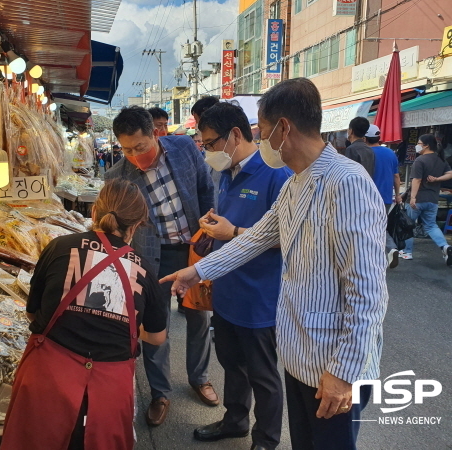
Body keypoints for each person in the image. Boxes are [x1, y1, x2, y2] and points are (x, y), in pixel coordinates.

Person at [161, 78, 388, 450]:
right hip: (301, 354)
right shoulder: (295, 184)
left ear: (284, 128)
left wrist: (343, 373)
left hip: (335, 365)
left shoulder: (346, 182)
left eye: (263, 132)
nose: (261, 140)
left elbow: (366, 291)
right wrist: (196, 271)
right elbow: (253, 239)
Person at [1, 179, 167, 450]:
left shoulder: (59, 247)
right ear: (136, 226)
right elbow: (157, 337)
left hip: (47, 380)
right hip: (109, 392)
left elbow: (34, 313)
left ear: (94, 213)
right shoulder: (146, 270)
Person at [105, 106, 216, 427]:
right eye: (126, 150)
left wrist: (209, 232)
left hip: (194, 249)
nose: (135, 155)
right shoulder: (117, 176)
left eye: (141, 147)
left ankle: (200, 377)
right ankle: (160, 392)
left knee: (199, 317)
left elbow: (206, 187)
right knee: (155, 328)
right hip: (152, 257)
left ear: (155, 133)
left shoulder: (183, 149)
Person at [193, 102, 292, 449]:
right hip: (228, 290)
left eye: (209, 144)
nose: (207, 152)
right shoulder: (226, 172)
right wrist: (214, 228)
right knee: (231, 363)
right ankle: (235, 420)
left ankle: (265, 439)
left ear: (235, 134)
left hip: (260, 295)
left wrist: (233, 231)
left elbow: (286, 237)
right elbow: (229, 224)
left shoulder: (277, 174)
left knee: (263, 374)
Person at [401, 133, 452, 264]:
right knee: (431, 226)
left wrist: (412, 198)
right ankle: (445, 247)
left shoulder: (420, 160)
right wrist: (437, 179)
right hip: (433, 200)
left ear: (426, 145)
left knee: (408, 226)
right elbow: (450, 173)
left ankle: (407, 252)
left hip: (418, 199)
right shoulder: (441, 159)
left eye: (418, 143)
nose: (417, 146)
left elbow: (416, 180)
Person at [365, 124, 402, 268]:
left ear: (365, 137)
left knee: (372, 227)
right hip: (386, 197)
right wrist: (397, 195)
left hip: (369, 197)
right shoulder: (390, 153)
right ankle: (385, 252)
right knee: (379, 225)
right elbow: (397, 176)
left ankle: (390, 248)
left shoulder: (366, 153)